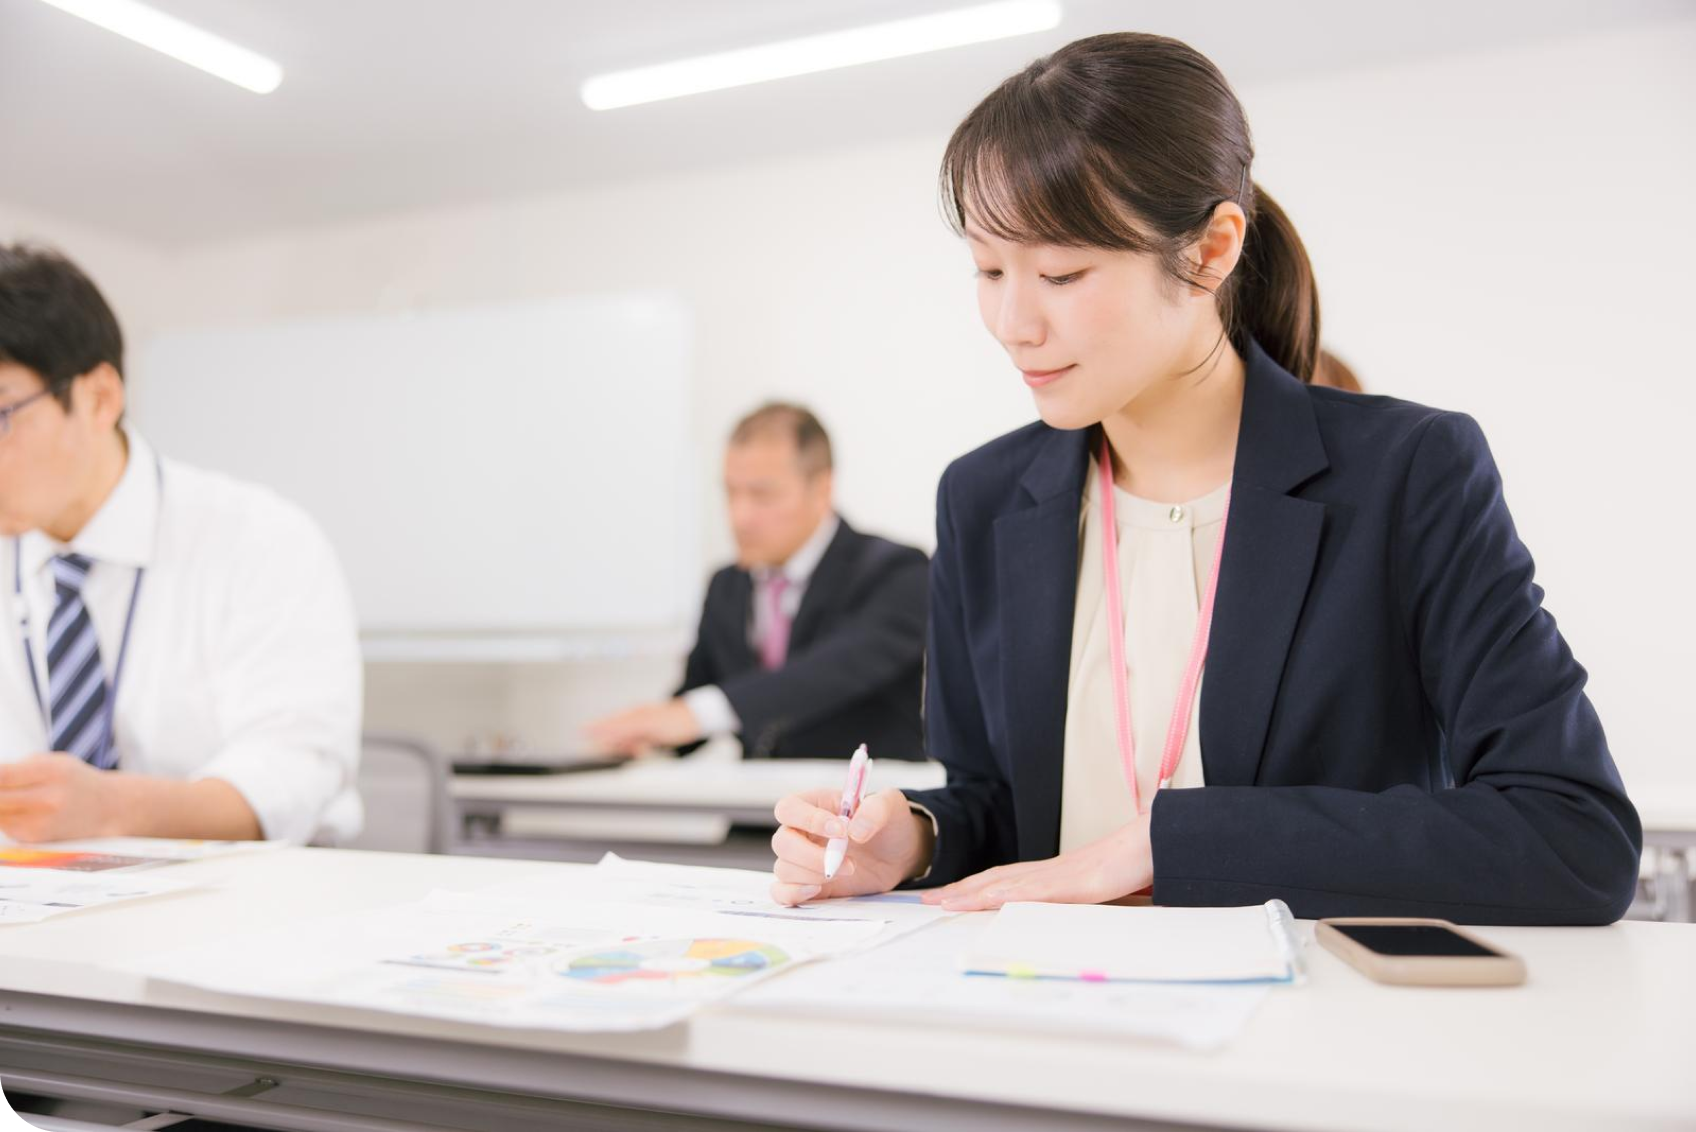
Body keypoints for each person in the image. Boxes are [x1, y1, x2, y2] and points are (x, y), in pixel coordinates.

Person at [765, 33, 1639, 924]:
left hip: (1303, 1034)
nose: (1011, 322)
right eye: (989, 270)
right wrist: (912, 838)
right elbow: (1003, 806)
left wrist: (1173, 843)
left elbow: (1573, 835)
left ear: (1213, 250)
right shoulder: (984, 498)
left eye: (1060, 273)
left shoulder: (1409, 476)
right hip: (1039, 1016)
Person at [0, 244, 363, 845]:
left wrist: (116, 810)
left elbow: (293, 771)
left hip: (246, 901)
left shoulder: (261, 540)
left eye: (1, 414)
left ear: (98, 399)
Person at [587, 403, 928, 761]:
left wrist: (694, 715)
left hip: (856, 812)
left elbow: (831, 671)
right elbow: (697, 700)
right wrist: (648, 734)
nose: (740, 516)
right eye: (731, 493)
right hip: (755, 813)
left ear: (822, 490)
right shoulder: (727, 587)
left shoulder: (896, 572)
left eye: (762, 495)